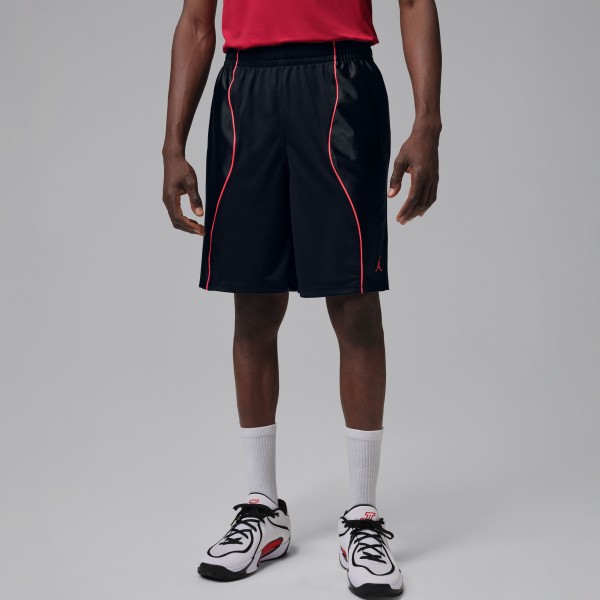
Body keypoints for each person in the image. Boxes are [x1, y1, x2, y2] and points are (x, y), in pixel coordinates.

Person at [162, 0, 441, 596]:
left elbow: (415, 2)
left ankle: (362, 516)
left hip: (340, 78)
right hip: (245, 86)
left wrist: (428, 122)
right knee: (254, 304)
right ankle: (262, 510)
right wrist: (172, 145)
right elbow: (196, 21)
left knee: (354, 298)